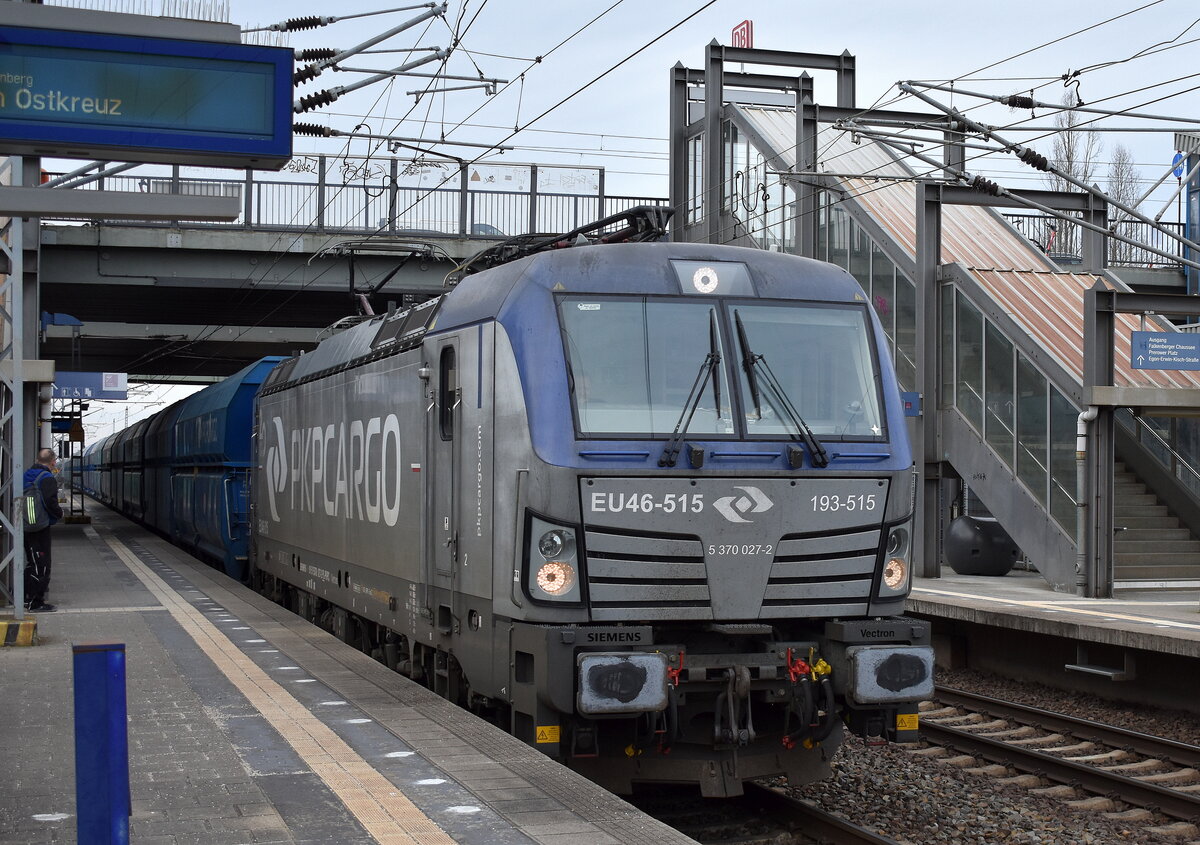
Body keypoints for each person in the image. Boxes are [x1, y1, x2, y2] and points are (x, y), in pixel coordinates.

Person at [23, 448, 62, 612]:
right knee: (43, 564)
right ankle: (36, 602)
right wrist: (58, 515)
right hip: (40, 526)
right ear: (52, 462)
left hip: (26, 524)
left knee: (32, 562)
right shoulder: (47, 478)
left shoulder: (25, 475)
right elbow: (50, 502)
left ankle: (27, 597)